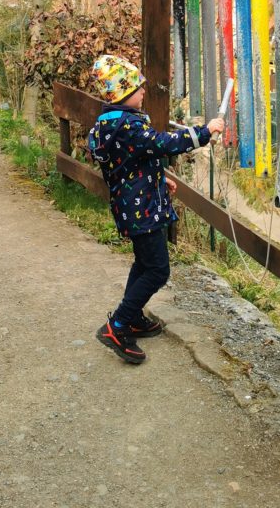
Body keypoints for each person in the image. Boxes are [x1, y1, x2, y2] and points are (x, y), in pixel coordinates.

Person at [88, 54, 224, 364]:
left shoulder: (110, 124)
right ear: (122, 94)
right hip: (142, 211)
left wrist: (160, 180)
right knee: (158, 269)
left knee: (144, 263)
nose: (144, 91)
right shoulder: (129, 125)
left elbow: (132, 162)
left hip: (135, 204)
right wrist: (204, 132)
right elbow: (163, 144)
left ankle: (131, 316)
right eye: (138, 87)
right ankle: (117, 326)